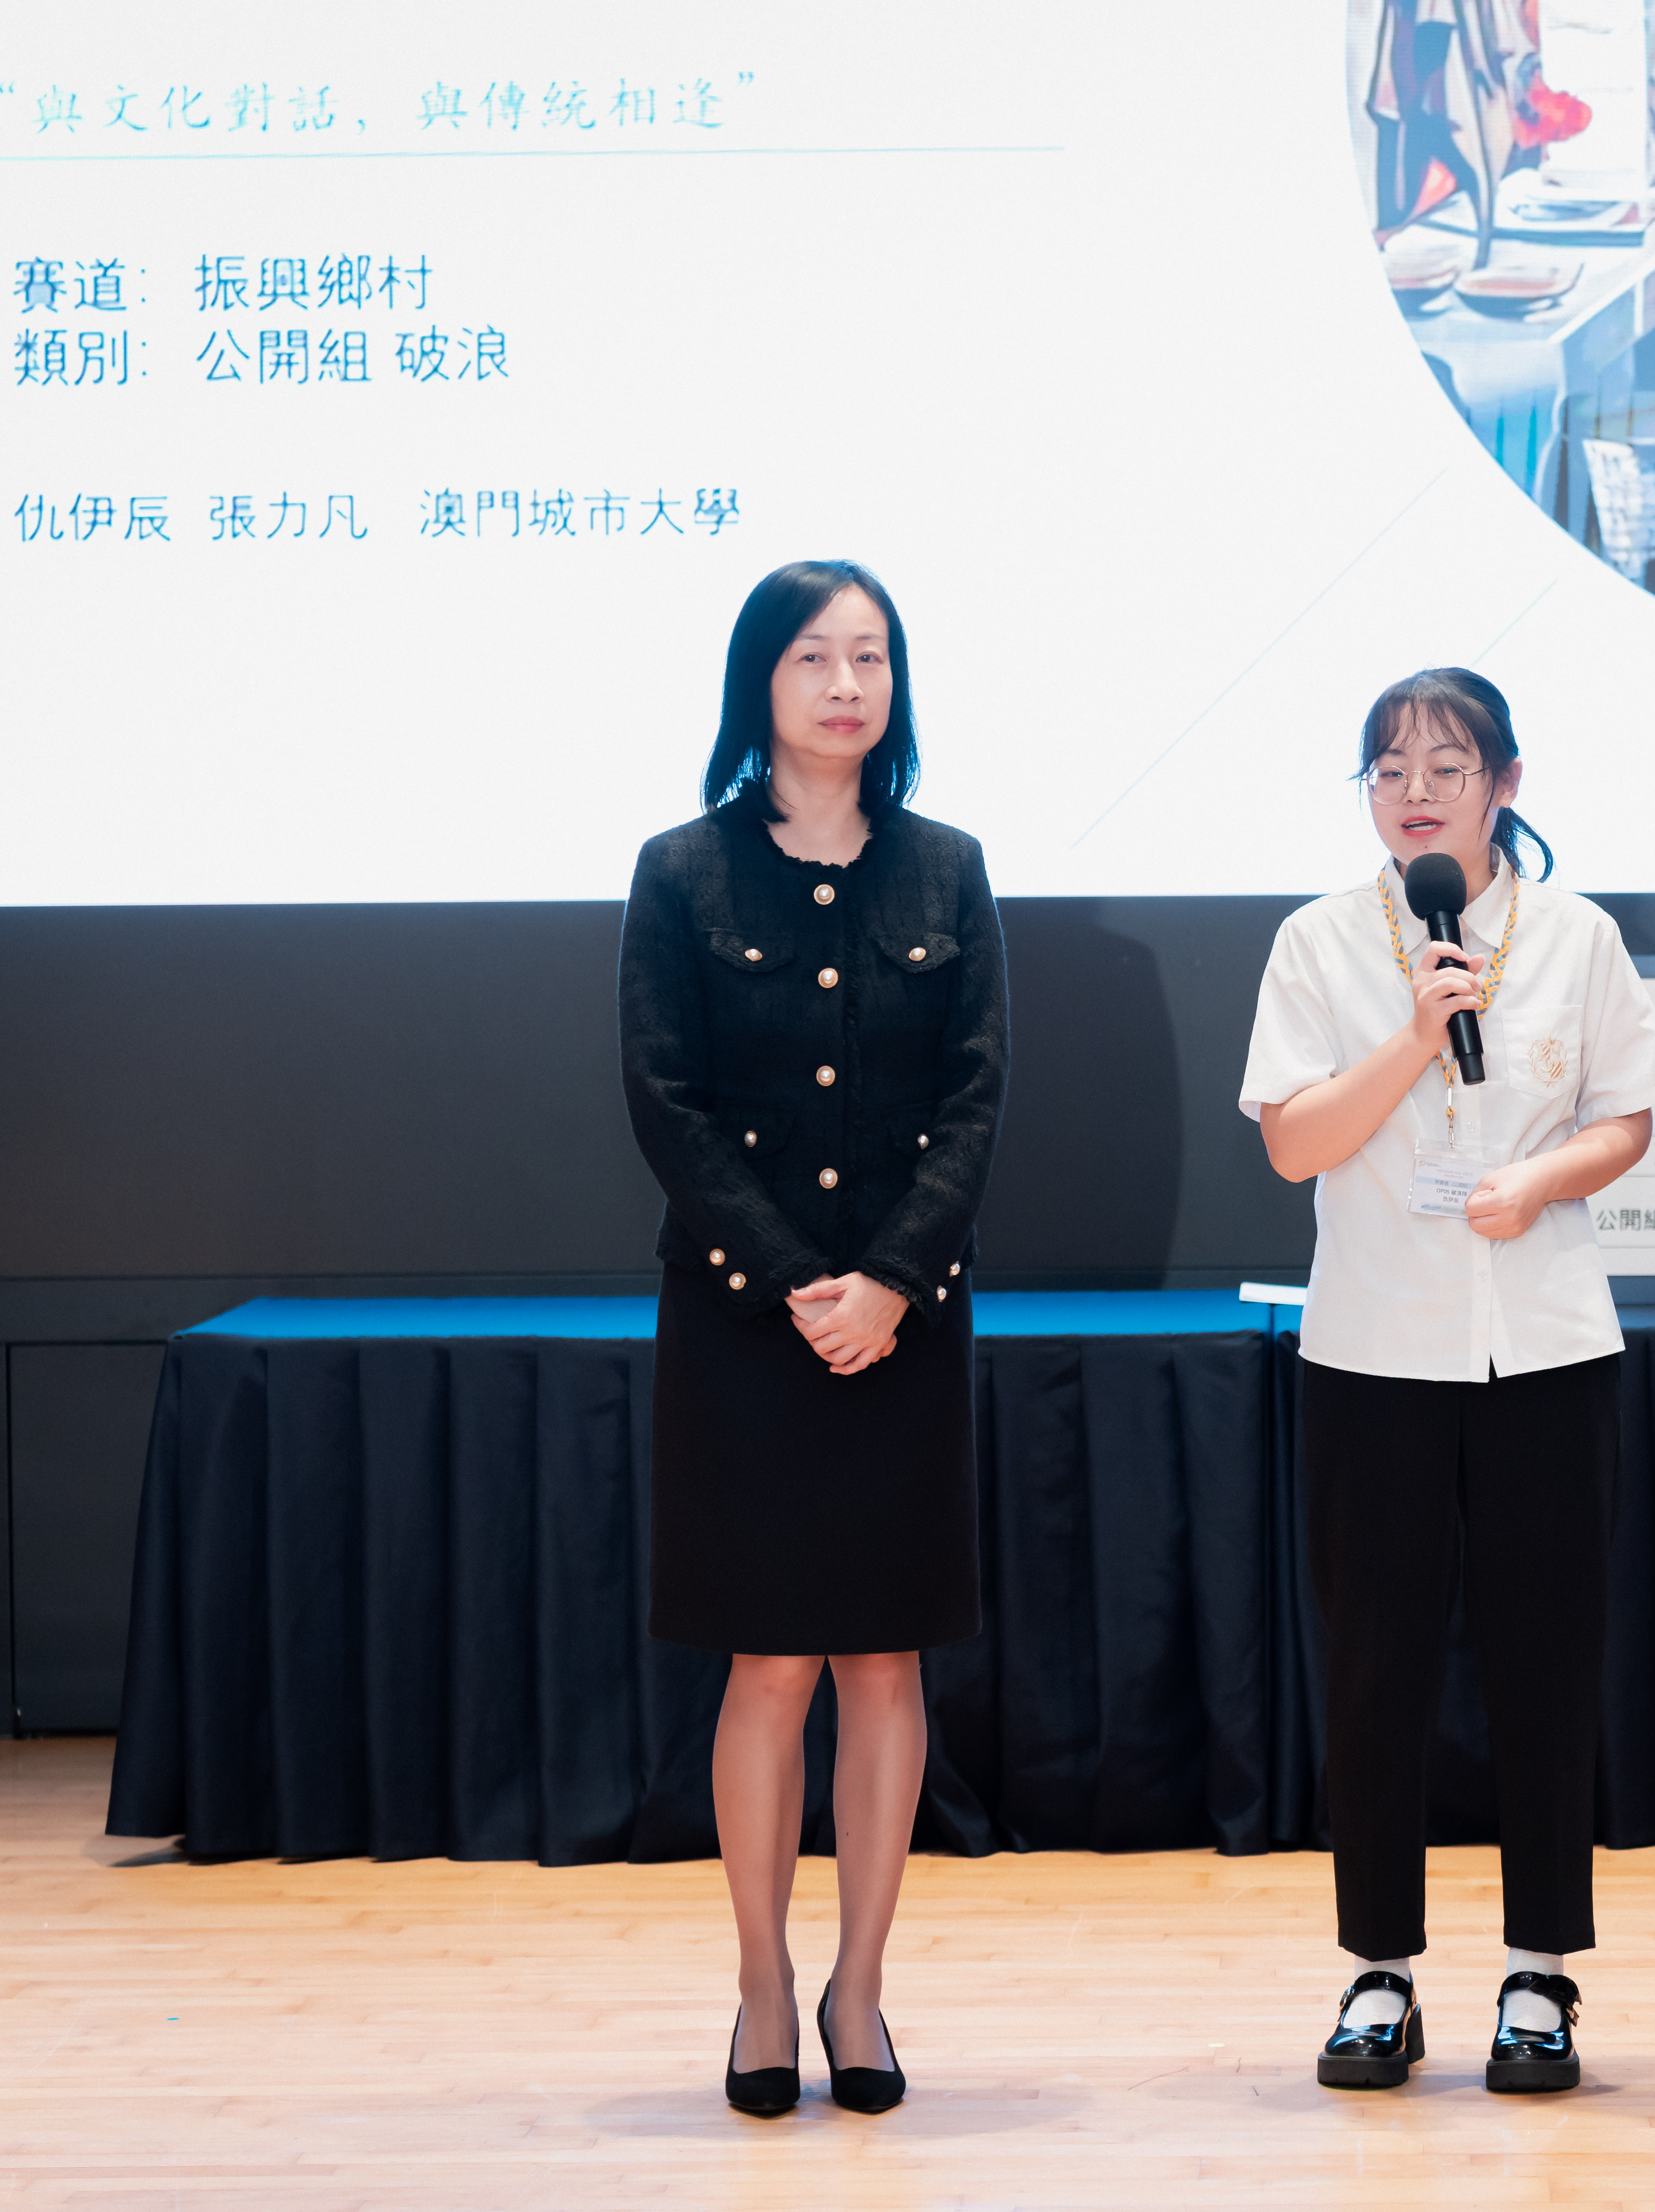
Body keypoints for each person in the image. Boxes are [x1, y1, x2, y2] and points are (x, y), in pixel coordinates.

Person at [1239, 668, 1655, 2095]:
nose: (1417, 792)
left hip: (1545, 1344)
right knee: (1374, 1668)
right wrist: (1415, 1036)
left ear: (1505, 784)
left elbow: (1627, 1118)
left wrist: (1542, 1179)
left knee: (1547, 1664)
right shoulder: (1321, 942)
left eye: (1447, 766)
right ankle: (1379, 1972)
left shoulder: (1577, 936)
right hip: (1374, 1351)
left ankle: (1541, 1973)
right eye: (1391, 769)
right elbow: (1294, 1145)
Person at [618, 559, 1006, 2118]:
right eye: (814, 658)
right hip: (744, 1324)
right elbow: (666, 1101)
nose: (847, 686)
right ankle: (763, 1987)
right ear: (759, 683)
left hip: (907, 1324)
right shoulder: (683, 871)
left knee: (885, 1657)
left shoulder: (948, 869)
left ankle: (860, 1989)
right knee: (771, 1661)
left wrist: (894, 1282)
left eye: (872, 658)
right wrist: (794, 1281)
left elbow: (975, 1098)